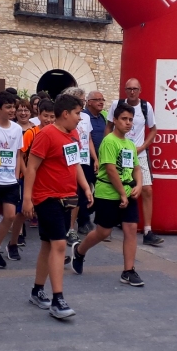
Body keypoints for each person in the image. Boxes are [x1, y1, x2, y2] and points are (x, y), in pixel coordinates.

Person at [23, 94, 93, 319]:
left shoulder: (73, 134)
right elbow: (31, 167)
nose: (80, 118)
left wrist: (86, 187)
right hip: (47, 198)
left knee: (48, 245)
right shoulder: (46, 135)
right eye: (77, 113)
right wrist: (27, 199)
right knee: (60, 245)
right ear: (65, 113)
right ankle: (58, 299)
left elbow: (76, 164)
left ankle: (37, 291)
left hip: (67, 197)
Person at [71, 103, 142, 285]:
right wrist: (122, 194)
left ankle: (128, 270)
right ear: (115, 120)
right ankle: (79, 251)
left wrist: (139, 185)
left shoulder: (130, 144)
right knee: (103, 232)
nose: (128, 123)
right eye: (124, 119)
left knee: (131, 229)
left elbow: (136, 167)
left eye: (130, 119)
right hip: (108, 193)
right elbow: (110, 169)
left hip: (127, 191)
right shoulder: (109, 141)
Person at [106, 79, 163, 246]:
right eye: (129, 89)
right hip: (119, 152)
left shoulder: (145, 106)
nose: (132, 92)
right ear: (125, 90)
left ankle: (147, 231)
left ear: (140, 90)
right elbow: (108, 126)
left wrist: (143, 146)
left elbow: (153, 129)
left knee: (146, 189)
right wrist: (109, 145)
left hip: (138, 152)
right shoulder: (117, 105)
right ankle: (107, 227)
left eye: (135, 89)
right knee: (115, 186)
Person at [0, 91, 24, 268]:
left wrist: (16, 176)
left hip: (10, 181)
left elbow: (18, 154)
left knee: (10, 216)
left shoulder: (17, 129)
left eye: (13, 107)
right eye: (8, 107)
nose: (12, 110)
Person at [61, 87, 97, 247]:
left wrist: (94, 158)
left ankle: (70, 228)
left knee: (77, 194)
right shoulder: (61, 124)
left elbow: (88, 138)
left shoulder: (85, 119)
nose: (84, 103)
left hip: (81, 160)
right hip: (66, 164)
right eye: (81, 100)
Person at [21, 100, 55, 234]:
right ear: (39, 115)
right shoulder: (31, 133)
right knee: (22, 212)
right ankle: (17, 236)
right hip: (30, 174)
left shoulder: (56, 133)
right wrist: (25, 174)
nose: (49, 120)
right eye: (45, 116)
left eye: (52, 116)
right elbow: (21, 155)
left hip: (46, 178)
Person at [77, 91, 106, 234]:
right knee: (83, 190)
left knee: (99, 188)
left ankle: (90, 214)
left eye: (102, 99)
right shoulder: (82, 116)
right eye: (97, 99)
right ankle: (83, 220)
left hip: (100, 159)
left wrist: (97, 159)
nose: (101, 102)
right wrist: (94, 158)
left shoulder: (102, 118)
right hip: (84, 159)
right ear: (89, 102)